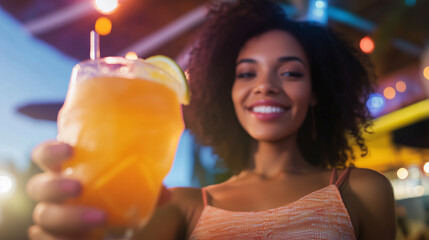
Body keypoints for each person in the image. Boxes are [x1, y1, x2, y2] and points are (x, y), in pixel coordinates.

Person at [27, 0, 396, 239]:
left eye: (290, 73)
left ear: (317, 91)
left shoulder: (362, 191)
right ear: (226, 91)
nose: (265, 87)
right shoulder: (178, 206)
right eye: (247, 74)